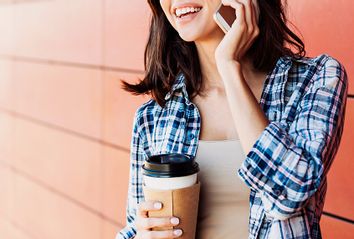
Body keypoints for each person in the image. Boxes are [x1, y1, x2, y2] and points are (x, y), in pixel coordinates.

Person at [116, 0, 348, 238]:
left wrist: (228, 67)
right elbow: (136, 225)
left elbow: (290, 193)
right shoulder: (153, 116)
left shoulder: (316, 79)